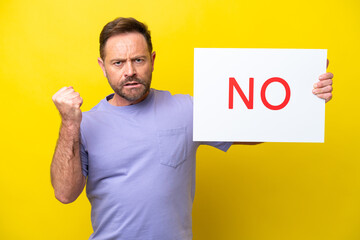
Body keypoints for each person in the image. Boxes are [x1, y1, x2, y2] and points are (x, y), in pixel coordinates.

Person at [50, 17, 334, 240]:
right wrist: (69, 124)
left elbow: (252, 130)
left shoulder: (186, 109)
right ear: (103, 67)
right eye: (118, 62)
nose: (130, 71)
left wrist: (304, 95)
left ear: (152, 59)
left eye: (138, 59)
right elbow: (65, 194)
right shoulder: (84, 124)